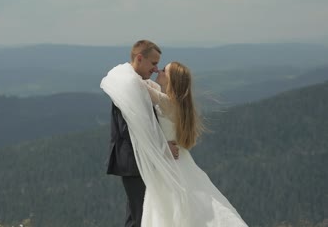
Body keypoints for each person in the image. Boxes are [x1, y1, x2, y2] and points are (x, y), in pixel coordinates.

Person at [101, 59, 247, 226]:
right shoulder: (176, 103)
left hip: (169, 162)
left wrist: (132, 65)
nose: (158, 71)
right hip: (179, 160)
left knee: (168, 208)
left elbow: (137, 86)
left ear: (171, 81)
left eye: (163, 71)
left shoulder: (167, 102)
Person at [105, 40, 179, 227]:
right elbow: (132, 129)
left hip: (136, 159)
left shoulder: (132, 82)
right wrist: (164, 147)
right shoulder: (129, 85)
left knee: (136, 213)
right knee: (142, 214)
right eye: (153, 63)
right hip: (134, 160)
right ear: (139, 58)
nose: (155, 69)